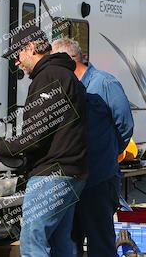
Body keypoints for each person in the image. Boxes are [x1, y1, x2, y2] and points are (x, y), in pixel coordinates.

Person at [0, 25, 88, 256]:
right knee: (60, 242)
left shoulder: (49, 76)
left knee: (33, 242)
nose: (16, 62)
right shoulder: (63, 74)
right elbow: (49, 133)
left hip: (52, 176)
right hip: (71, 172)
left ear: (31, 48)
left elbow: (35, 135)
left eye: (17, 55)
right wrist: (2, 151)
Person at [51, 37, 134, 257]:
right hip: (72, 181)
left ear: (68, 60)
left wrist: (108, 152)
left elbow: (124, 124)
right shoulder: (65, 87)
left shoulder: (105, 84)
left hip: (99, 179)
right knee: (70, 242)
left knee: (100, 243)